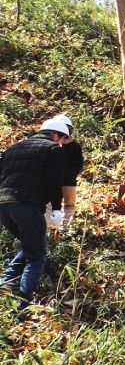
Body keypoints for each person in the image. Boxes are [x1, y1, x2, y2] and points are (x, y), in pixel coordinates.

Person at [0, 119, 68, 303]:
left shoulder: (14, 147)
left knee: (31, 245)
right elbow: (54, 182)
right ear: (55, 135)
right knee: (37, 258)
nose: (62, 143)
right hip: (27, 205)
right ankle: (23, 303)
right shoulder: (53, 149)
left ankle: (5, 281)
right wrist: (56, 209)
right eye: (62, 139)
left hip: (3, 205)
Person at [52, 114, 84, 229]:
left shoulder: (52, 145)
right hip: (69, 180)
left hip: (54, 180)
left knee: (51, 205)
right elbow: (79, 164)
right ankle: (64, 228)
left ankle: (53, 229)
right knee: (68, 206)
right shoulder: (75, 146)